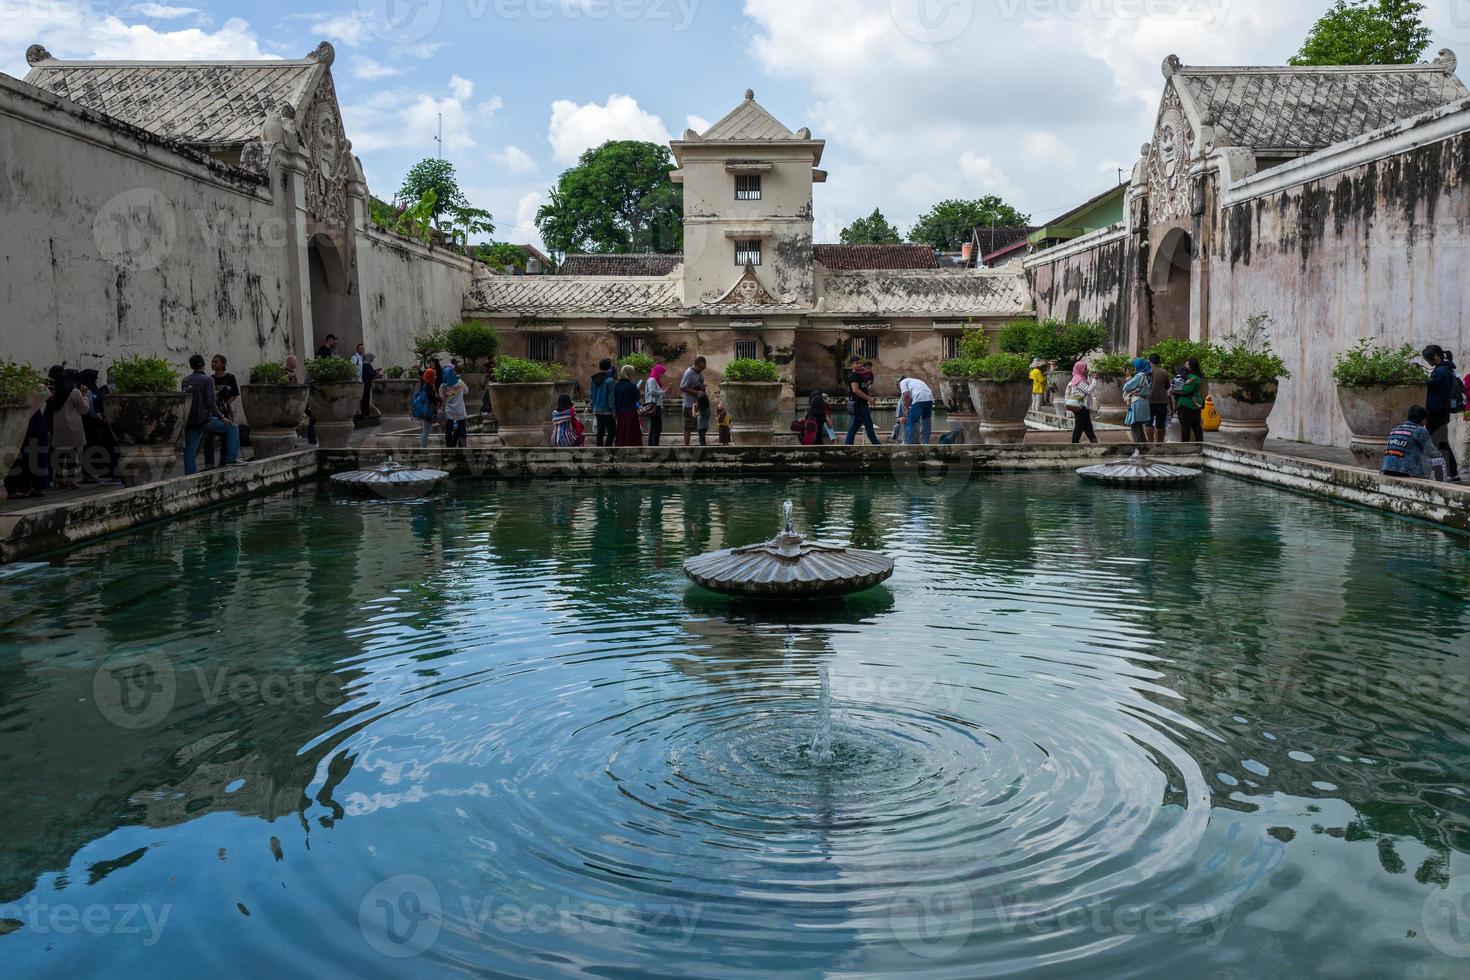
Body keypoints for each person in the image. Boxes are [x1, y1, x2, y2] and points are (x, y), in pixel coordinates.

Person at [182, 354, 243, 475]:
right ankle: (232, 459)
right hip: (205, 419)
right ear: (203, 364)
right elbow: (210, 403)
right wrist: (222, 417)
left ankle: (190, 476)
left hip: (190, 421)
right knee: (232, 427)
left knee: (189, 451)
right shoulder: (208, 379)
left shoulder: (185, 380)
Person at [1423, 345, 1462, 483]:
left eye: (1429, 360)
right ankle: (1451, 472)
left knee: (1438, 443)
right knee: (1440, 443)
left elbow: (1428, 385)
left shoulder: (1440, 372)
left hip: (1437, 414)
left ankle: (1450, 472)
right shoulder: (1448, 369)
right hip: (1441, 413)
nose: (1429, 364)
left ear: (1435, 357)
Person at [4, 383, 51, 498]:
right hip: (35, 427)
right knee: (33, 457)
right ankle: (32, 487)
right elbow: (47, 393)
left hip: (29, 427)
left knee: (27, 458)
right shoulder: (34, 391)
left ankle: (24, 487)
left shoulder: (20, 391)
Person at [1381, 406, 1440, 478]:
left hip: (1386, 469)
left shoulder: (1395, 429)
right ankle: (1444, 485)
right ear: (1424, 420)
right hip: (1406, 472)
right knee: (1439, 461)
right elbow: (1433, 453)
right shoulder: (1420, 430)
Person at [203, 354, 240, 470]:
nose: (212, 363)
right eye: (212, 361)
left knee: (226, 436)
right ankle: (209, 464)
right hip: (213, 411)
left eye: (215, 362)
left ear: (223, 364)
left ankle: (224, 462)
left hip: (225, 410)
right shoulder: (210, 379)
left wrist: (226, 404)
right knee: (208, 436)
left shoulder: (230, 377)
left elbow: (234, 394)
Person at [844, 355, 879, 445]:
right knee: (869, 426)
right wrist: (869, 399)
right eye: (856, 363)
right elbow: (855, 390)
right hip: (860, 405)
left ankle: (847, 445)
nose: (859, 364)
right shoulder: (854, 375)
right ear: (852, 365)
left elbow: (862, 388)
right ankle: (877, 446)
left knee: (854, 426)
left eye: (860, 363)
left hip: (859, 404)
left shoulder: (858, 375)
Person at [1065, 361, 1099, 445]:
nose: (1086, 370)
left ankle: (1095, 443)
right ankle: (1074, 444)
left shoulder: (1079, 379)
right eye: (1085, 368)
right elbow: (1088, 390)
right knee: (1079, 426)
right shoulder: (1078, 380)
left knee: (1088, 427)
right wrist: (1094, 379)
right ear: (1080, 369)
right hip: (1081, 407)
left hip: (1083, 407)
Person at [897, 376, 935, 446]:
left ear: (899, 384)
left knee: (911, 421)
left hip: (919, 398)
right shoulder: (915, 381)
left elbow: (906, 395)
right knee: (926, 421)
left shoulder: (902, 382)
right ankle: (925, 443)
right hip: (929, 398)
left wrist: (907, 409)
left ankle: (909, 444)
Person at [1122, 357, 1152, 444]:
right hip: (1144, 402)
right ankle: (1144, 446)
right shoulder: (1147, 376)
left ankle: (1139, 447)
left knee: (1135, 426)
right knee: (1139, 426)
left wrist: (1128, 378)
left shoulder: (1139, 376)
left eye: (1135, 365)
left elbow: (1126, 387)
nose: (1134, 367)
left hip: (1137, 402)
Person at [1175, 358, 1206, 443]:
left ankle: (1185, 446)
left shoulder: (1192, 377)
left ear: (1193, 366)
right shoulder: (1198, 377)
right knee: (1196, 426)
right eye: (1185, 364)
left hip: (1186, 405)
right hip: (1196, 404)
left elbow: (1185, 390)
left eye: (1187, 365)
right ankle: (1200, 444)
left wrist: (1174, 391)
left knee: (1185, 426)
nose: (1185, 366)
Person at [680, 356, 708, 448]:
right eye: (700, 368)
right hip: (689, 404)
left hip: (697, 403)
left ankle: (701, 445)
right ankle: (686, 447)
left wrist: (701, 386)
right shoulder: (689, 373)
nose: (701, 370)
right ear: (695, 365)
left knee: (700, 427)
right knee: (688, 426)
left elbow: (697, 385)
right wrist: (697, 392)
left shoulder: (699, 373)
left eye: (703, 369)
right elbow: (682, 387)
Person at [613, 365, 643, 447]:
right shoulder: (631, 385)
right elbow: (636, 398)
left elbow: (615, 399)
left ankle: (620, 445)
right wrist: (637, 390)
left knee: (621, 430)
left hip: (620, 412)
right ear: (629, 374)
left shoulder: (617, 385)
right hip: (631, 412)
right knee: (630, 431)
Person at [590, 358, 617, 448]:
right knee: (612, 431)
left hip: (597, 409)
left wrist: (593, 407)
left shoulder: (593, 379)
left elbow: (591, 395)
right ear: (609, 367)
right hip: (607, 410)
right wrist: (614, 410)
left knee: (600, 431)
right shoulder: (610, 380)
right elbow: (611, 397)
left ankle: (599, 449)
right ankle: (607, 449)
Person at [440, 364, 469, 448]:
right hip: (460, 410)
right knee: (462, 428)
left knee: (448, 430)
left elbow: (442, 397)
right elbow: (467, 391)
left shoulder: (443, 386)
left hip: (449, 411)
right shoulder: (460, 383)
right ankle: (463, 445)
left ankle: (449, 446)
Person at [1145, 353, 1172, 443]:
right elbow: (1168, 386)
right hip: (1162, 401)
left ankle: (1150, 442)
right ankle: (1159, 443)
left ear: (1149, 361)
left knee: (1148, 423)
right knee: (1160, 424)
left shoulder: (1146, 372)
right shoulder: (1164, 372)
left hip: (1149, 401)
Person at [413, 366, 439, 448]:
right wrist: (440, 398)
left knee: (426, 429)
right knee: (426, 430)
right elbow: (431, 398)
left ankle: (423, 446)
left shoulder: (427, 385)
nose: (435, 377)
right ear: (430, 376)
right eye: (434, 375)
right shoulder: (429, 386)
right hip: (428, 411)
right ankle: (423, 447)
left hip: (427, 410)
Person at [643, 364, 667, 446]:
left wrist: (664, 392)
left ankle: (651, 445)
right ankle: (654, 446)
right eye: (661, 373)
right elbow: (652, 391)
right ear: (658, 372)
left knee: (654, 427)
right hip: (654, 406)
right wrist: (663, 392)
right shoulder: (652, 379)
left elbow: (657, 393)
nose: (662, 375)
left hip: (656, 405)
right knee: (657, 427)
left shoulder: (655, 381)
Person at [358, 352, 378, 420]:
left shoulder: (364, 364)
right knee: (366, 399)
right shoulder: (367, 365)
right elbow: (370, 374)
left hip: (365, 384)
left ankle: (365, 413)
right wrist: (376, 372)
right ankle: (366, 413)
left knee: (365, 399)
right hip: (366, 384)